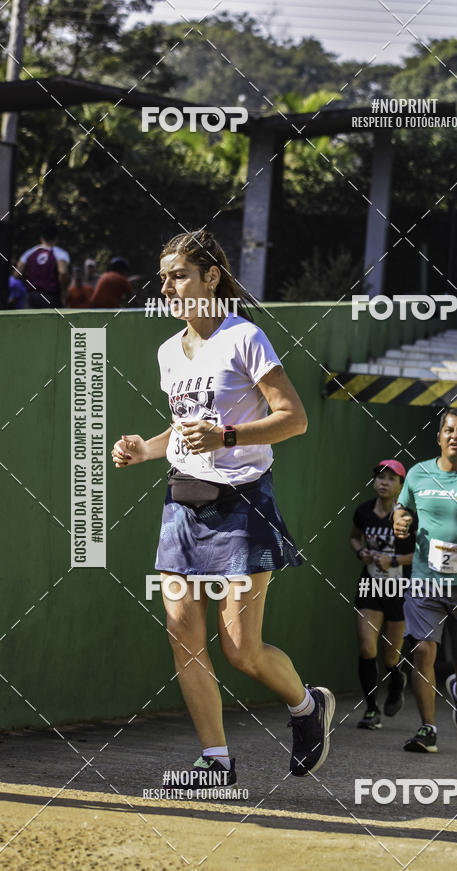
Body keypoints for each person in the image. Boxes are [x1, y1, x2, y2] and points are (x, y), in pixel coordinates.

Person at [111, 229, 334, 786]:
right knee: (182, 634)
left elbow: (294, 418)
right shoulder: (168, 351)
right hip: (182, 501)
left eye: (178, 274)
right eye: (163, 276)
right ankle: (215, 761)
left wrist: (227, 436)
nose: (166, 285)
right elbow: (184, 432)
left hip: (243, 504)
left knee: (240, 649)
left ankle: (308, 708)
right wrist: (147, 450)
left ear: (211, 278)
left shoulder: (245, 338)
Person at [393, 407, 457, 753]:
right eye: (449, 430)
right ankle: (427, 729)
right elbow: (401, 507)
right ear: (439, 437)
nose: (455, 436)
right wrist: (401, 519)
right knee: (422, 650)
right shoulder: (419, 474)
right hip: (425, 580)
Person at [350, 460, 415, 729]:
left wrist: (395, 561)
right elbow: (354, 537)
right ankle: (371, 709)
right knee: (367, 647)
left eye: (391, 478)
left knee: (390, 655)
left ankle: (397, 680)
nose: (383, 482)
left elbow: (421, 554)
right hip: (371, 586)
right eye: (379, 477)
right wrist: (360, 552)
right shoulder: (363, 511)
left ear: (401, 486)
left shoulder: (409, 516)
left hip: (400, 590)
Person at [17, 221, 70, 308]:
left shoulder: (29, 252)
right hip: (50, 297)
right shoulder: (60, 253)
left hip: (30, 297)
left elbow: (17, 273)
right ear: (56, 238)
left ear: (41, 238)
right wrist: (64, 290)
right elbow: (63, 272)